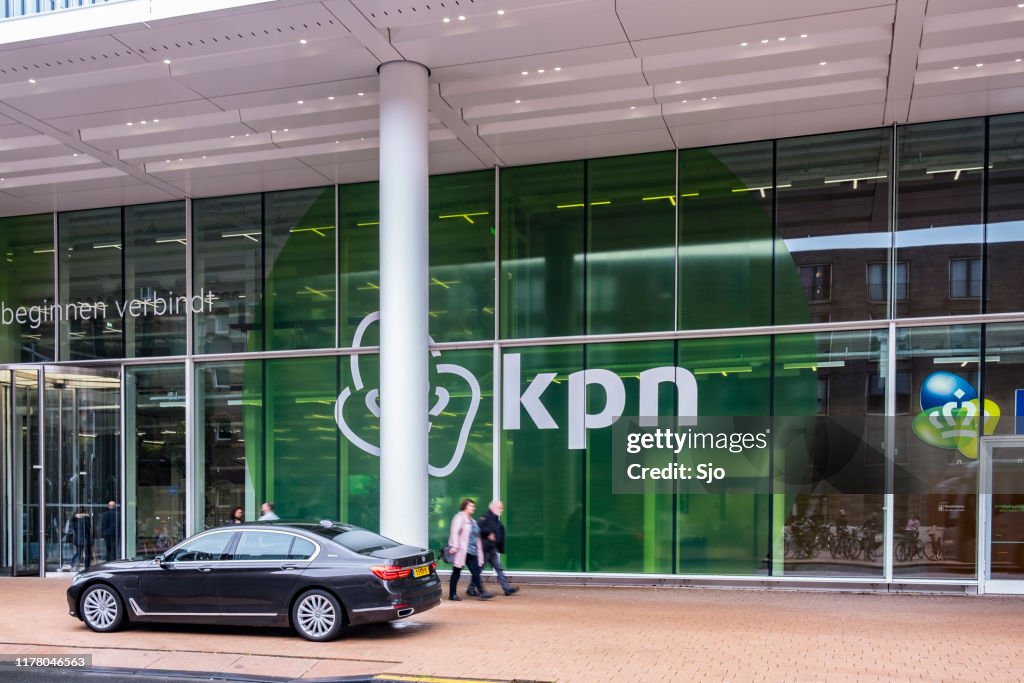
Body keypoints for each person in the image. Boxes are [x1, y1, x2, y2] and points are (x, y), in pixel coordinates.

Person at [447, 498, 492, 601]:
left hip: (473, 550)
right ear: (465, 507)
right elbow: (454, 532)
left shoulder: (473, 521)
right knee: (457, 572)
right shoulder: (459, 517)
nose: (473, 508)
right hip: (462, 550)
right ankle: (452, 594)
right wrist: (454, 546)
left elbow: (477, 536)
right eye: (471, 506)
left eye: (474, 506)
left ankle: (482, 592)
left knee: (476, 571)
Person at [479, 499, 518, 596]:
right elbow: (479, 528)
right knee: (478, 570)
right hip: (485, 549)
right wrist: (488, 533)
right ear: (493, 507)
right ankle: (471, 588)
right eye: (500, 507)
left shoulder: (496, 519)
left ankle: (507, 589)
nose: (502, 509)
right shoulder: (486, 517)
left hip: (492, 549)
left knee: (499, 569)